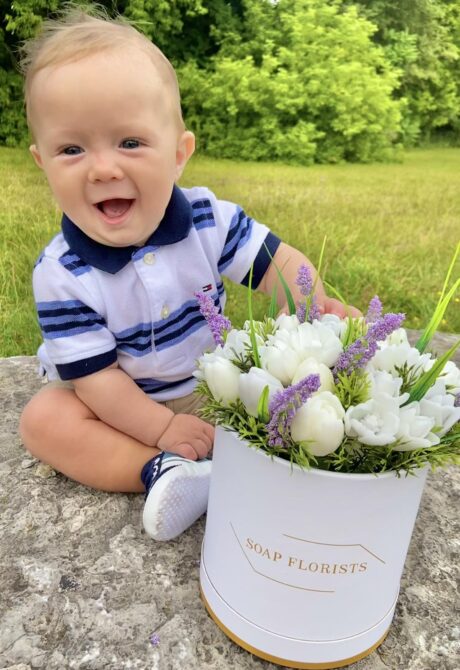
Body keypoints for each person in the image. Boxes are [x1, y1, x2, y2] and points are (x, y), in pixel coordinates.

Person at [19, 8, 358, 542]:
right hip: (117, 404)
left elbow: (277, 263)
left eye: (129, 143)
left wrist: (317, 306)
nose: (103, 167)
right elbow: (96, 379)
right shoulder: (63, 273)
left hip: (212, 385)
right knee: (44, 422)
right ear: (43, 164)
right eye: (72, 149)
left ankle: (257, 459)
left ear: (179, 155)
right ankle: (163, 470)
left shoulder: (206, 220)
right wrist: (161, 431)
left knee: (296, 384)